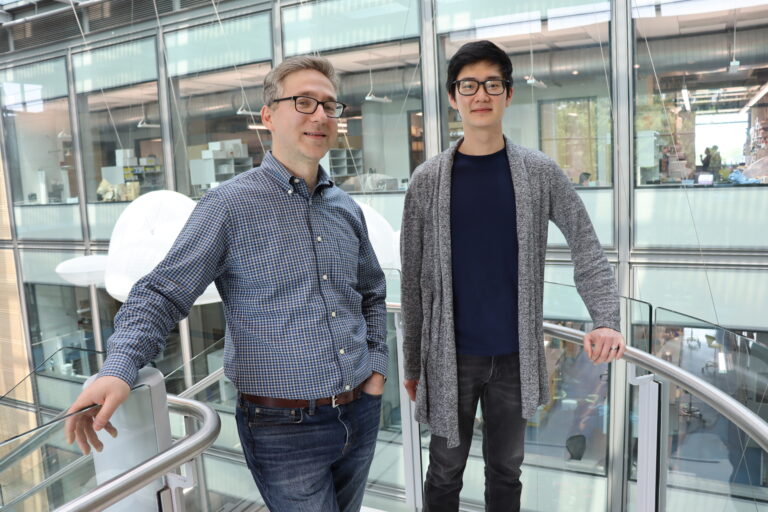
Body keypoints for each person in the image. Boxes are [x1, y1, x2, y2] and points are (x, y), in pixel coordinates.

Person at [65, 55, 388, 512]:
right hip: (282, 427)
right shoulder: (228, 206)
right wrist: (119, 367)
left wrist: (376, 371)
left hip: (360, 409)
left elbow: (372, 292)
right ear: (268, 116)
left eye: (330, 105)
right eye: (304, 102)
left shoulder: (345, 208)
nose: (320, 115)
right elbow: (161, 293)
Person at [399, 40, 625, 512]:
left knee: (507, 471)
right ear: (452, 96)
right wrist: (414, 363)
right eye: (468, 85)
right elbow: (414, 278)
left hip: (515, 357)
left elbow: (585, 243)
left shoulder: (538, 172)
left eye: (492, 84)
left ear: (508, 94)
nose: (480, 94)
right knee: (443, 472)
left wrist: (604, 316)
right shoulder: (428, 179)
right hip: (450, 357)